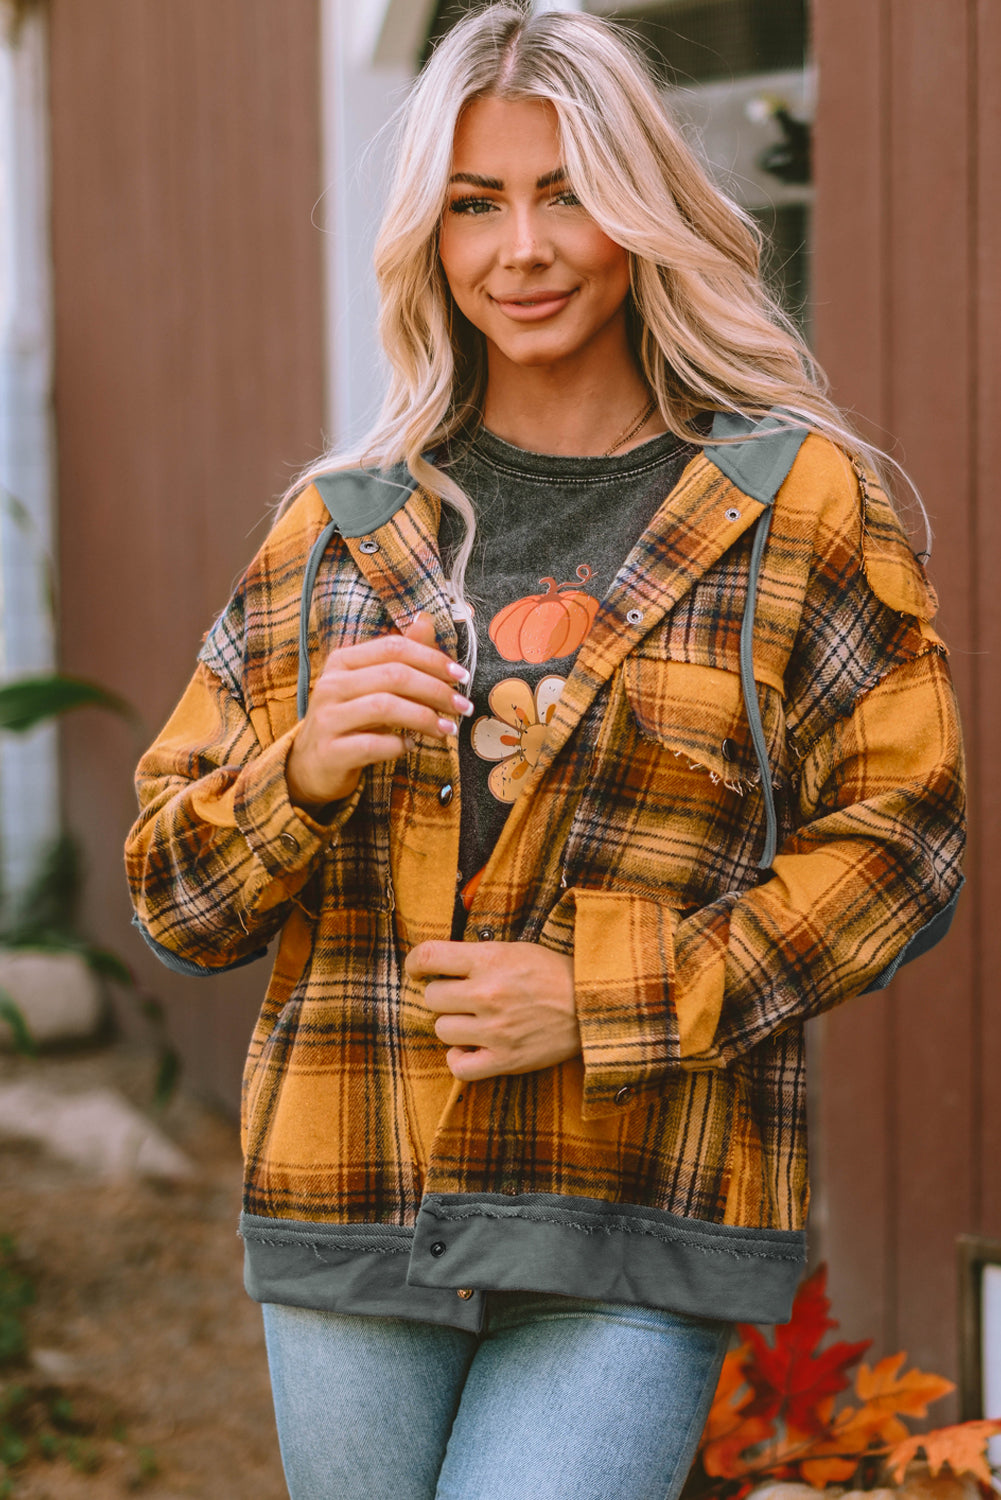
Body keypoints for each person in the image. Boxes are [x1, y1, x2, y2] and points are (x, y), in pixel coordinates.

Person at [125, 6, 966, 1498]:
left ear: (641, 210)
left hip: (636, 1200)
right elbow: (179, 902)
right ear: (427, 239)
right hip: (352, 1192)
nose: (520, 248)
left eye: (564, 190)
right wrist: (302, 768)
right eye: (472, 202)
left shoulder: (793, 507)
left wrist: (602, 994)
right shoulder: (337, 530)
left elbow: (904, 846)